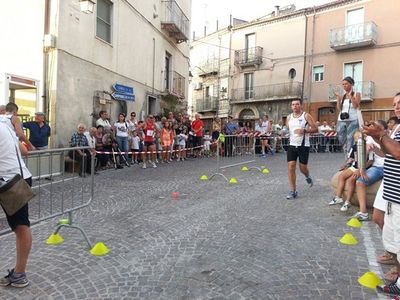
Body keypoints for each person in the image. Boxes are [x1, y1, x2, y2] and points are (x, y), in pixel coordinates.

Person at [363, 93, 400, 296]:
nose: (396, 107)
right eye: (394, 104)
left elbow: (398, 153)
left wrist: (381, 135)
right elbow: (389, 154)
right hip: (392, 193)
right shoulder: (397, 129)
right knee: (395, 241)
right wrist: (377, 139)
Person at [0, 121, 32, 288]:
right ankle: (19, 273)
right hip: (17, 177)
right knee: (21, 226)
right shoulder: (5, 125)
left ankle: (19, 274)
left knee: (21, 226)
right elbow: (25, 150)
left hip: (9, 182)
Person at [351, 121, 387, 221]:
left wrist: (376, 149)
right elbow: (364, 153)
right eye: (371, 126)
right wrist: (361, 168)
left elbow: (388, 154)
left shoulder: (390, 136)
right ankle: (363, 212)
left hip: (389, 167)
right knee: (360, 181)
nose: (371, 128)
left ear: (383, 129)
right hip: (377, 167)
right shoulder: (370, 138)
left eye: (375, 126)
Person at [286, 99, 318, 199]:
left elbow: (315, 129)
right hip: (292, 145)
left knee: (302, 168)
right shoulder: (288, 117)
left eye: (297, 104)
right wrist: (284, 132)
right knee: (291, 166)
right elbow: (288, 129)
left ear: (300, 105)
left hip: (303, 145)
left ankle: (307, 176)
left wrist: (304, 130)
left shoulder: (306, 116)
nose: (295, 106)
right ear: (291, 106)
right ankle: (293, 191)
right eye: (293, 105)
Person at [329, 131, 363, 211]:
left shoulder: (366, 146)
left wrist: (360, 169)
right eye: (356, 138)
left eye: (358, 138)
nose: (357, 140)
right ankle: (338, 197)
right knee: (342, 176)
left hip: (362, 167)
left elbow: (369, 160)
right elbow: (351, 158)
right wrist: (346, 165)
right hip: (355, 166)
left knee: (351, 180)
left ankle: (347, 202)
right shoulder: (354, 147)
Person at [335, 76, 362, 154]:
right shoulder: (343, 96)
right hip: (342, 119)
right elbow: (339, 108)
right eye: (343, 84)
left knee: (350, 138)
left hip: (353, 119)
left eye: (346, 84)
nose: (344, 86)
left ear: (351, 84)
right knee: (340, 136)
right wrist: (338, 99)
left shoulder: (357, 94)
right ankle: (347, 149)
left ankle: (349, 156)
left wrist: (351, 97)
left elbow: (355, 106)